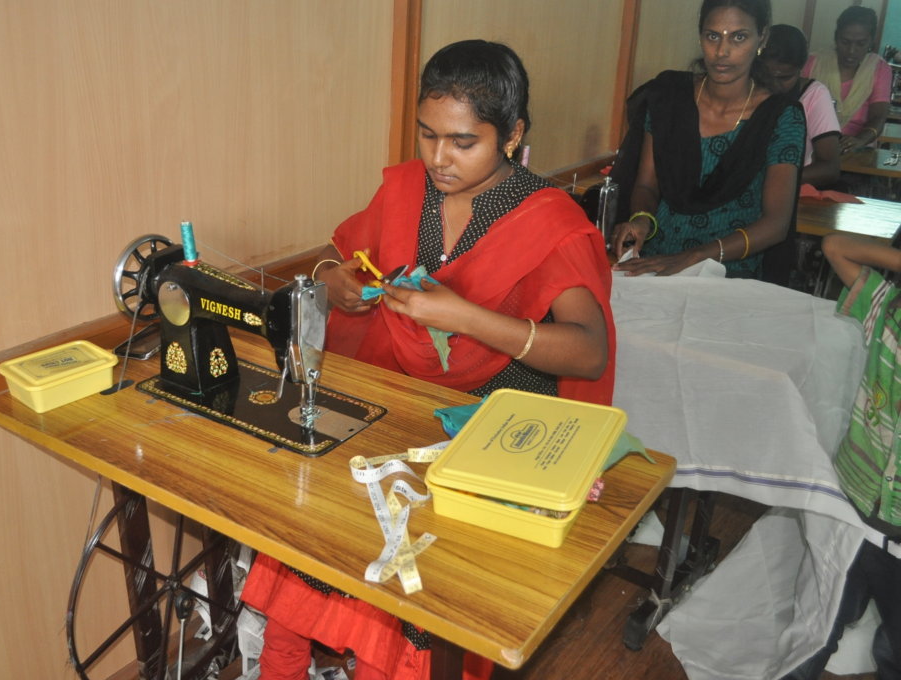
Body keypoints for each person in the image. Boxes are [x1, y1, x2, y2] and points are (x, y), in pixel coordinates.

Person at [239, 40, 615, 680]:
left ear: (513, 133)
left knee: (421, 588)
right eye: (427, 135)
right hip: (394, 399)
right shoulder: (405, 189)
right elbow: (334, 262)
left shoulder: (546, 217)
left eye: (463, 142)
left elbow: (588, 349)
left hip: (489, 420)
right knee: (315, 539)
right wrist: (338, 284)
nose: (439, 158)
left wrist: (463, 317)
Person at [609, 0, 805, 282]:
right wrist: (641, 220)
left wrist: (696, 257)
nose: (722, 51)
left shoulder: (782, 117)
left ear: (762, 37)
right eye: (713, 36)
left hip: (731, 270)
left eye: (739, 37)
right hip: (655, 261)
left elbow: (776, 224)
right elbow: (645, 184)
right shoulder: (668, 97)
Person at [778, 231, 901, 679]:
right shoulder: (885, 308)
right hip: (851, 512)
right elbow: (834, 247)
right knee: (818, 625)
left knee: (894, 648)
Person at [761, 24, 841, 189]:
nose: (775, 85)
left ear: (800, 70)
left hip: (786, 190)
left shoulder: (814, 95)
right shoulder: (748, 87)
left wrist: (772, 181)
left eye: (785, 78)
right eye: (768, 76)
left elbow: (830, 168)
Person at [803, 6, 891, 154]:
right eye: (845, 42)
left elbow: (878, 117)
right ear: (836, 38)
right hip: (812, 147)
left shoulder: (879, 69)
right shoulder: (814, 63)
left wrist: (859, 141)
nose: (851, 50)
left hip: (858, 150)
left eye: (861, 44)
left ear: (871, 41)